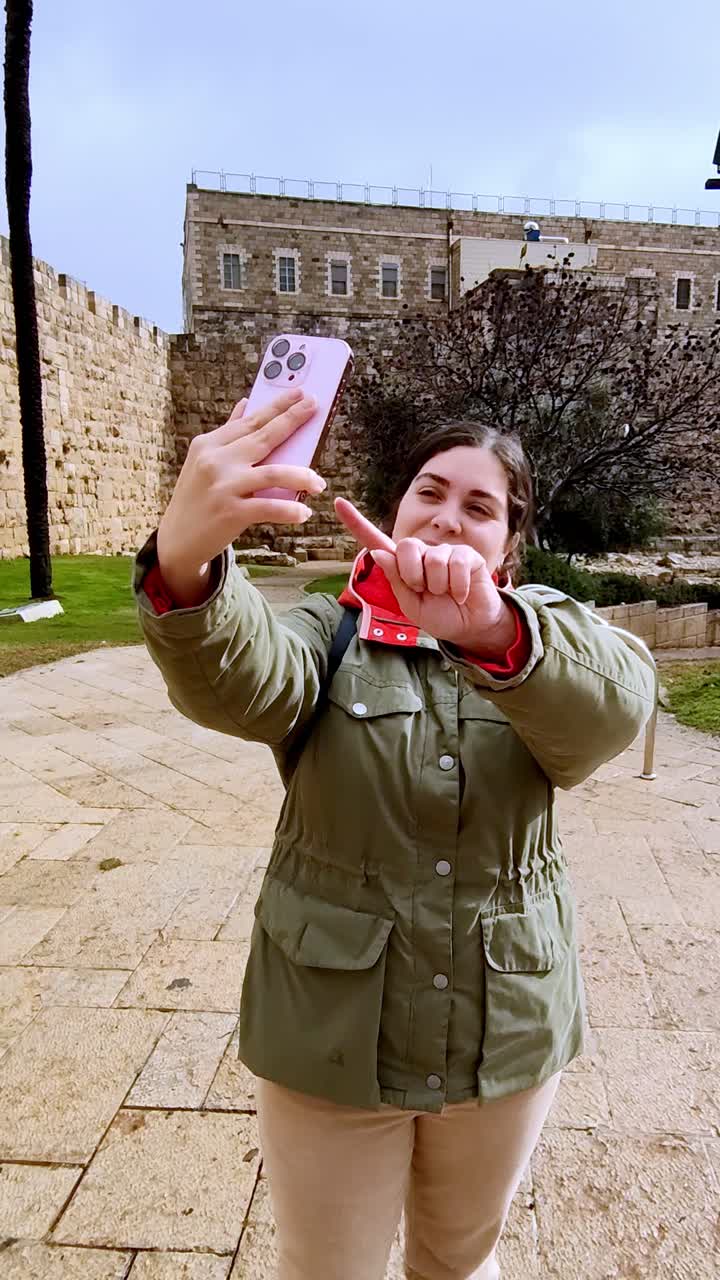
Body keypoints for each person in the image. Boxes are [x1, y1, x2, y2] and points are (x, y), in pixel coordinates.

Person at [134, 387, 656, 1280]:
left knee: (460, 1261)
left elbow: (615, 706)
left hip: (506, 1030)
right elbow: (241, 678)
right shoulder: (330, 631)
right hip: (329, 1036)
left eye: (479, 506)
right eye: (430, 492)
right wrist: (184, 562)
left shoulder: (542, 633)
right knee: (327, 1268)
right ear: (394, 509)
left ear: (510, 541)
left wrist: (489, 629)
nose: (449, 519)